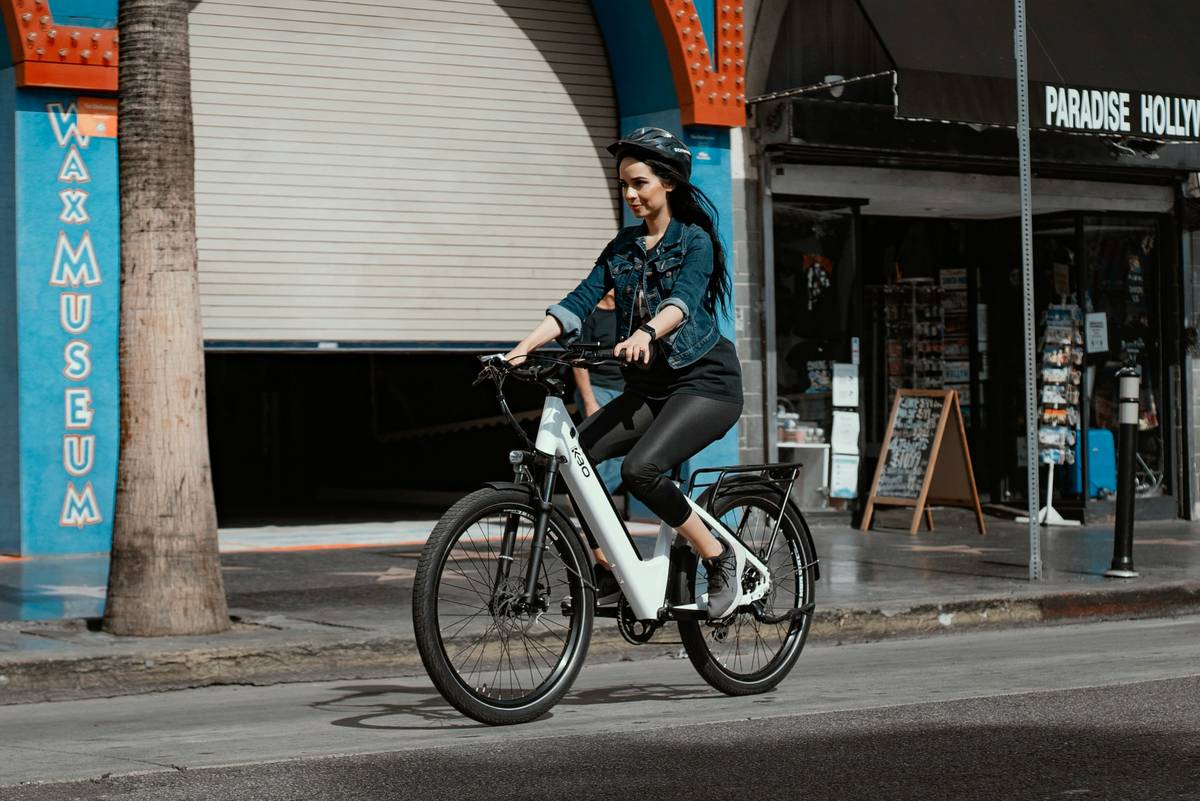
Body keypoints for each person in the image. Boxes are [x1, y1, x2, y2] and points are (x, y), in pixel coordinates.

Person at [503, 127, 745, 617]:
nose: (631, 195)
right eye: (624, 186)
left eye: (640, 183)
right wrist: (522, 347)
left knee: (640, 471)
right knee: (574, 463)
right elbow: (578, 302)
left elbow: (683, 300)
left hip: (705, 385)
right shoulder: (622, 247)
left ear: (669, 183)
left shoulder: (696, 241)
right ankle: (607, 571)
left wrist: (646, 333)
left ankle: (719, 558)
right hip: (651, 389)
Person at [573, 289, 625, 495]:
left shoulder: (624, 312)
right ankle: (586, 498)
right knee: (598, 445)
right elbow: (578, 361)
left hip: (623, 389)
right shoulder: (590, 316)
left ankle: (595, 499)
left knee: (623, 451)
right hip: (597, 389)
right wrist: (589, 401)